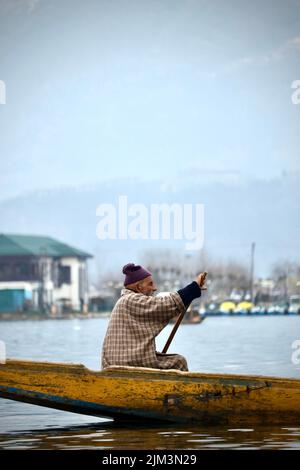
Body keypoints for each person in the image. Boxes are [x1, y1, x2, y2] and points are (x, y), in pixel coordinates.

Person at [101, 263, 207, 371]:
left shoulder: (126, 301)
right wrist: (194, 287)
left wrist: (192, 292)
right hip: (126, 363)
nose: (154, 288)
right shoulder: (131, 300)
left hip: (120, 362)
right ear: (139, 287)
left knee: (177, 361)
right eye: (150, 284)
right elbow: (163, 305)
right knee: (179, 363)